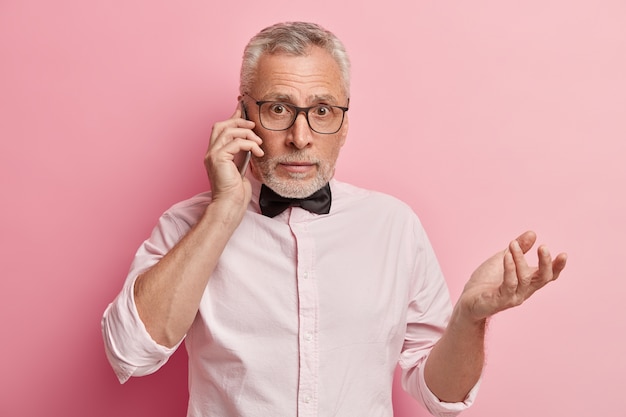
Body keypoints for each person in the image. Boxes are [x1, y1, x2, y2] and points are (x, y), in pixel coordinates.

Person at [101, 21, 567, 417]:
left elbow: (441, 395)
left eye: (322, 111)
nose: (301, 137)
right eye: (279, 108)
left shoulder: (394, 226)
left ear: (344, 124)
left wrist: (468, 318)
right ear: (243, 114)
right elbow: (129, 353)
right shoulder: (188, 226)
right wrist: (224, 211)